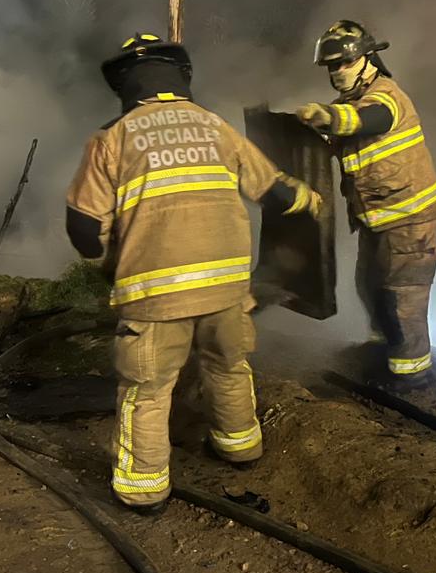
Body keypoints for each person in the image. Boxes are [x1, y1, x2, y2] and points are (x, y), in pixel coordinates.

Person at [66, 32, 320, 514]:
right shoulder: (215, 127)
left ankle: (143, 490)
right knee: (228, 366)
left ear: (125, 84)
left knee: (148, 389)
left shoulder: (112, 138)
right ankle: (240, 447)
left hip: (156, 296)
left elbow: (83, 227)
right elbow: (276, 193)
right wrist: (309, 199)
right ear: (180, 77)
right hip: (227, 291)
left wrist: (106, 260)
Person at [295, 19, 436, 388]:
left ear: (368, 59)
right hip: (377, 219)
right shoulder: (347, 105)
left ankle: (412, 373)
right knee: (369, 286)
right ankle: (385, 350)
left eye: (345, 62)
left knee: (401, 296)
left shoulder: (386, 96)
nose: (338, 71)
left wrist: (328, 117)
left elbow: (368, 119)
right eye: (332, 66)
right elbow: (342, 134)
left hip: (409, 219)